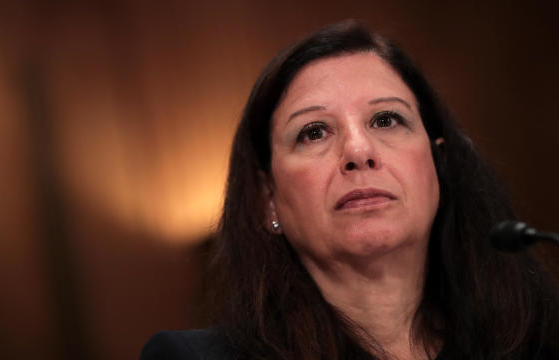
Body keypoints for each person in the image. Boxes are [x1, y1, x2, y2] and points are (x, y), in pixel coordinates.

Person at [140, 20, 559, 360]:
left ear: (439, 162)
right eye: (314, 131)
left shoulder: (540, 336)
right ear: (266, 197)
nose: (358, 151)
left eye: (385, 120)